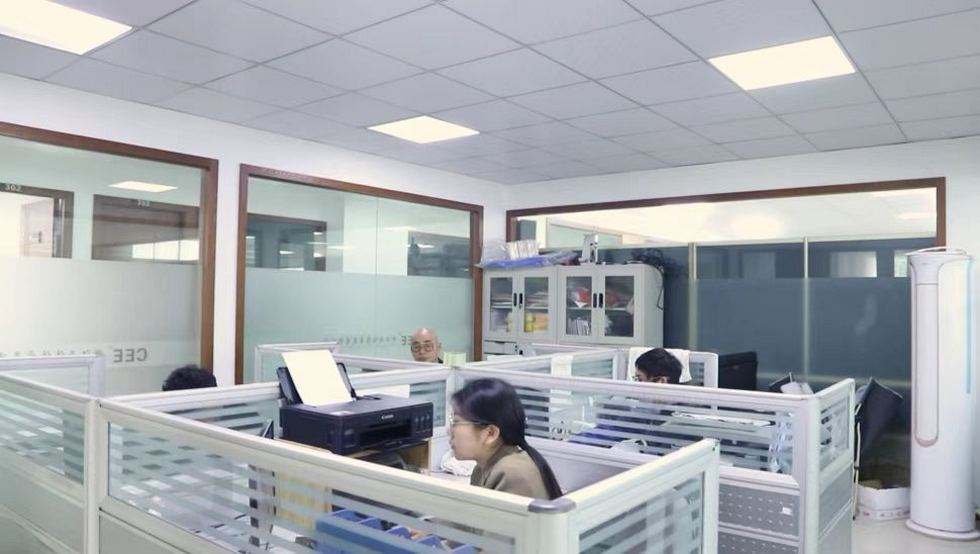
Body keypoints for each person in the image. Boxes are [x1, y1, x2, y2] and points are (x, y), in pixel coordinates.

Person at [449, 378, 562, 500]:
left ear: (490, 434)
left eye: (456, 422)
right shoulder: (482, 468)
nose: (449, 430)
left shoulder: (511, 472)